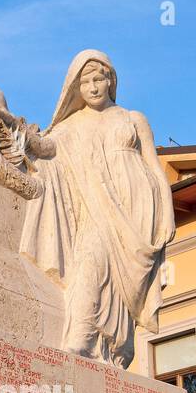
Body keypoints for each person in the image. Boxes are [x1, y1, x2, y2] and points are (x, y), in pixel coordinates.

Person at [20, 50, 176, 367]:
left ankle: (111, 348)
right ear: (75, 89)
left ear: (110, 80)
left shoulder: (133, 119)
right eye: (85, 82)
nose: (92, 87)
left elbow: (155, 168)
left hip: (137, 212)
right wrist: (19, 131)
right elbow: (45, 148)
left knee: (119, 288)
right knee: (89, 259)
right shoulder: (71, 126)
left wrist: (168, 213)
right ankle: (81, 338)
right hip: (97, 208)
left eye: (98, 79)